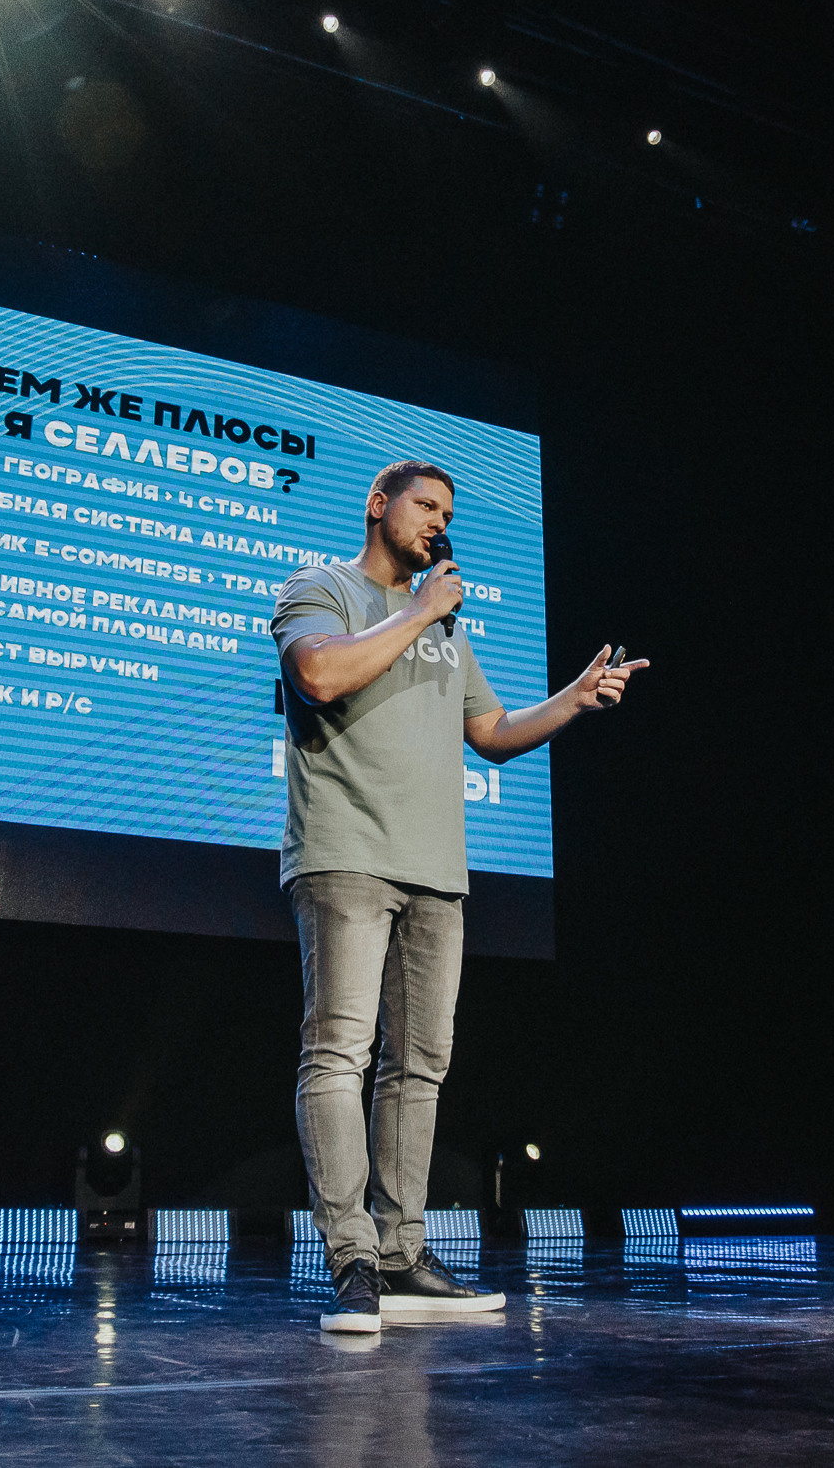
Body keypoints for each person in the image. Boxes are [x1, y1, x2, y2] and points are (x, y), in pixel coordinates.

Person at [273, 458, 649, 1333]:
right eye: (423, 505)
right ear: (379, 503)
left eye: (446, 510)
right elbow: (319, 678)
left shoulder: (445, 630)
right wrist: (416, 612)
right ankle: (354, 1261)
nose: (436, 521)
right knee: (339, 1052)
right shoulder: (319, 586)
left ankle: (404, 1253)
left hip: (438, 870)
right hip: (346, 854)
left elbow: (491, 732)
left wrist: (575, 699)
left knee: (422, 1064)